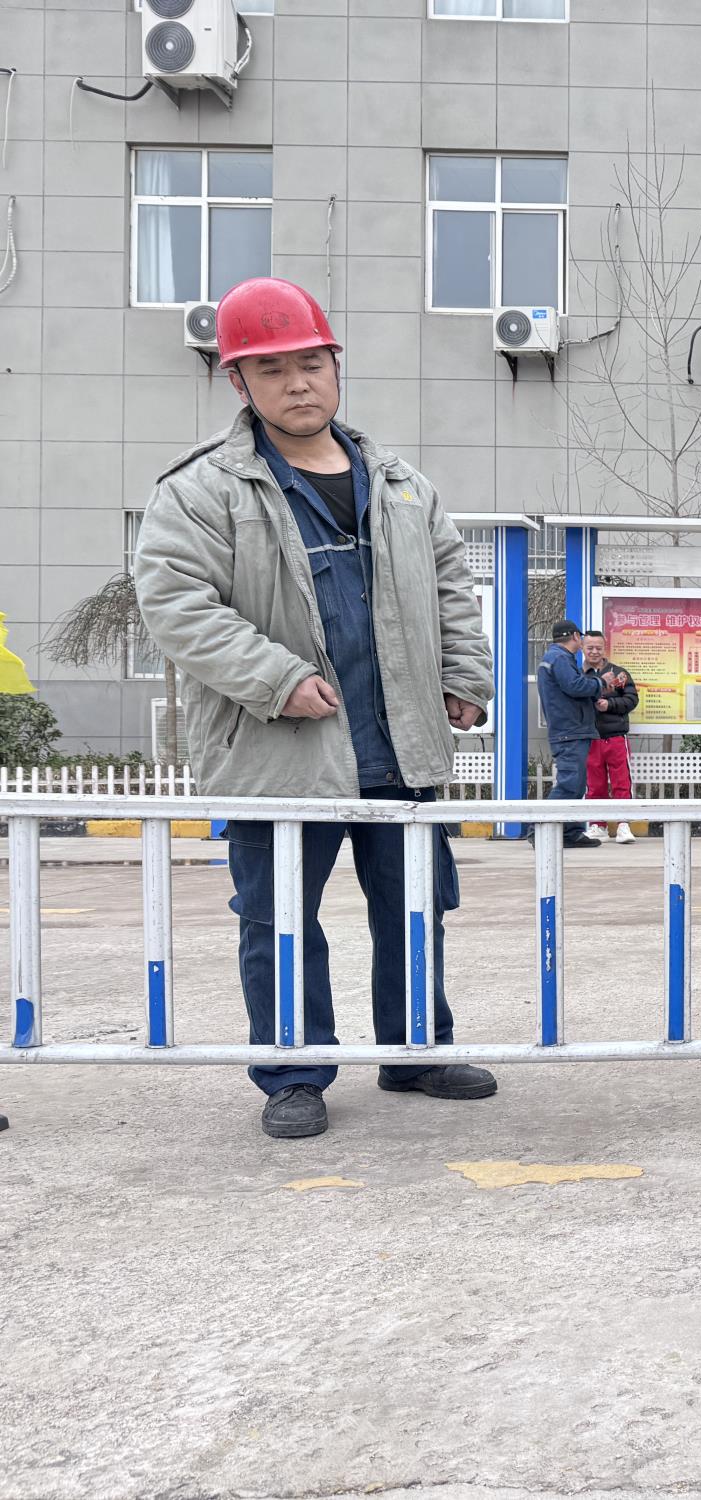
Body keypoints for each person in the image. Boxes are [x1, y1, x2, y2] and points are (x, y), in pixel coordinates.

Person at [133, 277, 496, 1141]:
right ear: (237, 382)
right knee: (280, 919)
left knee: (416, 909)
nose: (297, 384)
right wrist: (275, 678)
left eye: (311, 363)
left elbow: (451, 587)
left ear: (336, 365)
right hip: (279, 749)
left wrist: (464, 675)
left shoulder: (402, 486)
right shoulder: (204, 490)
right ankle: (294, 1071)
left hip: (400, 745)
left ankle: (415, 1051)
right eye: (271, 370)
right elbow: (175, 603)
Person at [537, 622, 603, 850]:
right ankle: (539, 830)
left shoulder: (556, 658)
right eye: (581, 637)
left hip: (570, 731)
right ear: (575, 636)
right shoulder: (560, 658)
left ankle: (571, 832)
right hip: (569, 732)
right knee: (569, 784)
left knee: (576, 785)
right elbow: (574, 686)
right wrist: (600, 683)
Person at [580, 629, 638, 845]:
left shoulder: (618, 674)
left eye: (598, 648)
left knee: (622, 782)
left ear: (605, 648)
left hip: (616, 737)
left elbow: (631, 700)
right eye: (590, 648)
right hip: (590, 738)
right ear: (583, 648)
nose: (594, 652)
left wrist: (610, 704)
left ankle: (623, 825)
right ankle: (598, 825)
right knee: (594, 785)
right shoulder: (578, 676)